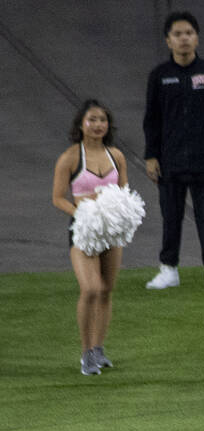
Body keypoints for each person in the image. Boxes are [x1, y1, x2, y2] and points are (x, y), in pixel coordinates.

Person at [143, 10, 204, 292]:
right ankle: (169, 269)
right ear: (168, 41)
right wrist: (150, 155)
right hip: (170, 162)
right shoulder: (159, 76)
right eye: (177, 34)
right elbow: (152, 120)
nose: (184, 38)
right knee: (171, 216)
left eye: (189, 33)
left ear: (196, 38)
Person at [51, 100, 131, 375]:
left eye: (102, 120)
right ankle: (86, 353)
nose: (98, 125)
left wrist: (121, 215)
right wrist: (82, 213)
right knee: (91, 289)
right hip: (83, 230)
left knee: (107, 290)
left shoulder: (117, 156)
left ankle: (99, 349)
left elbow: (124, 192)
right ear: (81, 124)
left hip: (110, 231)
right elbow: (58, 197)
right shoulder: (71, 157)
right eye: (92, 120)